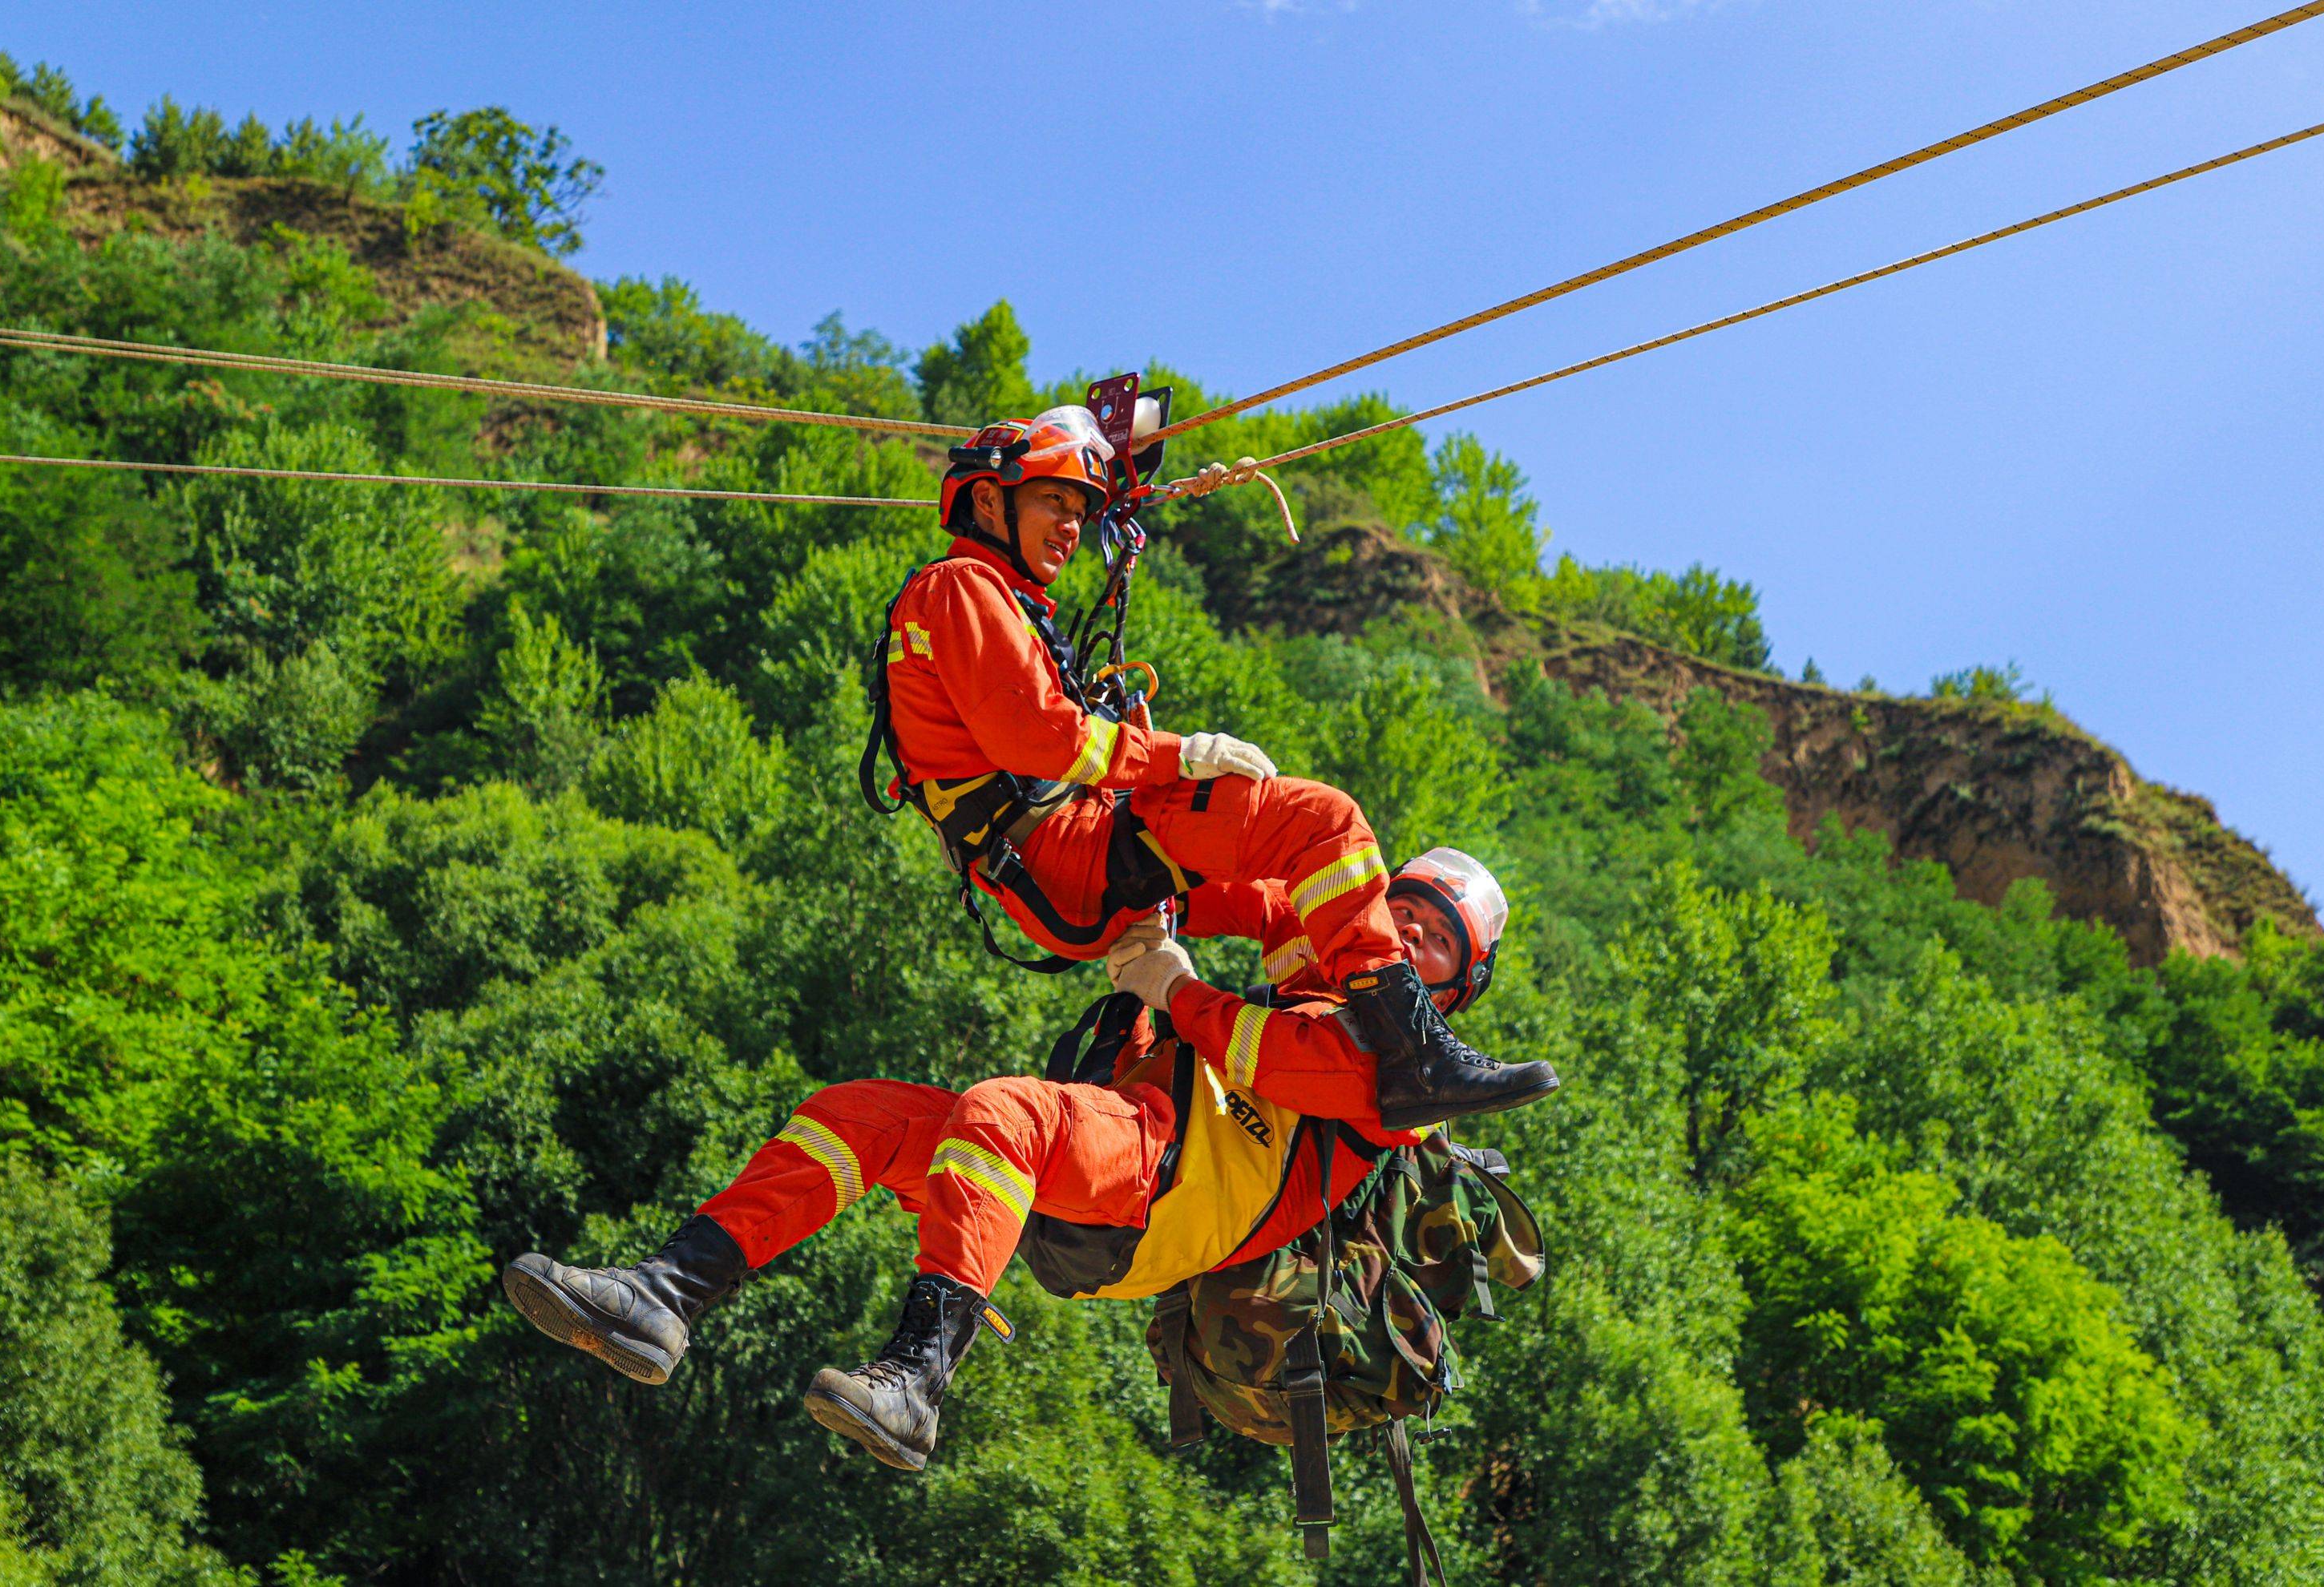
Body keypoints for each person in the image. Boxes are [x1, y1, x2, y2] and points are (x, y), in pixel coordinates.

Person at [502, 849, 1557, 1472]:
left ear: (1452, 992)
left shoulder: (1404, 1079)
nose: (1403, 939)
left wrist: (1174, 990)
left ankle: (918, 1379)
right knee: (860, 1115)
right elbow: (1223, 890)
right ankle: (665, 1295)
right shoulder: (1313, 963)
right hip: (1118, 1157)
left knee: (1003, 1114)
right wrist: (1135, 856)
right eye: (1402, 915)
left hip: (1167, 1197)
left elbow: (1281, 1065)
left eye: (1432, 943)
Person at [865, 403, 1549, 1129]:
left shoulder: (994, 600)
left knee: (1289, 894)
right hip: (1063, 848)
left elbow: (1047, 742)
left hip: (1062, 855)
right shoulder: (959, 588)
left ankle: (1339, 1037)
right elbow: (1039, 739)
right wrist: (1176, 757)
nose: (1072, 526)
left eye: (1081, 510)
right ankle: (1415, 1052)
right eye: (1053, 501)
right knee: (1323, 822)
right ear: (987, 500)